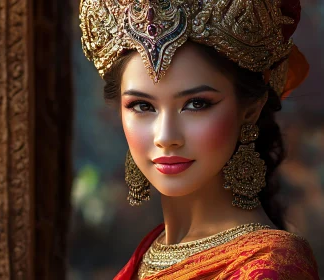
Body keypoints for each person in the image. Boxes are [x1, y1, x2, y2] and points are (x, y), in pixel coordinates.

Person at [79, 0, 319, 279]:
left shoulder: (268, 269)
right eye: (143, 106)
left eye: (196, 104)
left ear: (250, 110)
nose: (165, 137)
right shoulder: (151, 250)